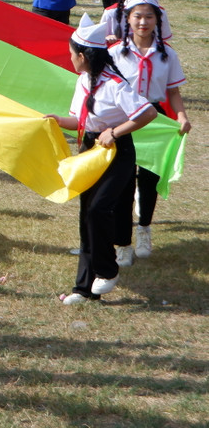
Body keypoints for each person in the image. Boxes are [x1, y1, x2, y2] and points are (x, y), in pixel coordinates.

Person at [48, 16, 156, 304]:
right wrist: (57, 120)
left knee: (99, 210)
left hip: (117, 153)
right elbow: (80, 120)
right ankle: (83, 288)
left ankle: (108, 271)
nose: (70, 59)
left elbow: (147, 113)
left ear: (83, 56)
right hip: (90, 150)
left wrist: (115, 132)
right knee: (87, 217)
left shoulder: (114, 84)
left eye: (72, 54)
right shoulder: (83, 81)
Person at [108, 0, 191, 264]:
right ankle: (122, 244)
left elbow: (173, 92)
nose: (143, 22)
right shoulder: (115, 54)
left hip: (154, 119)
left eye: (149, 17)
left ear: (158, 20)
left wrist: (181, 116)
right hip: (125, 118)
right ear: (128, 19)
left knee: (148, 179)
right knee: (120, 181)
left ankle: (144, 228)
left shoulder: (167, 55)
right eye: (137, 16)